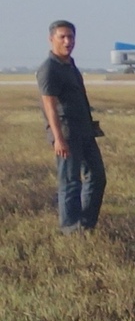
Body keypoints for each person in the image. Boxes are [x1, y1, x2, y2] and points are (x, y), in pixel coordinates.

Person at [37, 22, 105, 234]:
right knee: (70, 182)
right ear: (51, 39)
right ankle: (69, 229)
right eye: (63, 37)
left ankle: (85, 225)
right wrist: (58, 138)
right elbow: (49, 105)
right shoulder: (49, 69)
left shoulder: (69, 65)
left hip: (84, 131)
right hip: (66, 134)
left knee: (97, 177)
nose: (68, 42)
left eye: (71, 37)